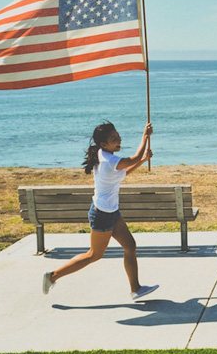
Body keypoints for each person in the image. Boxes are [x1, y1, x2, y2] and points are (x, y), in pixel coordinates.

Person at [42, 121, 159, 300]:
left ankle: (135, 289)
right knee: (93, 255)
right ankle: (52, 276)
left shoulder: (104, 155)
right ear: (104, 144)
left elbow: (124, 172)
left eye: (118, 136)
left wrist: (143, 160)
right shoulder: (108, 160)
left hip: (111, 212)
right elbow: (132, 159)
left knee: (130, 246)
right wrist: (145, 136)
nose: (118, 140)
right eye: (114, 139)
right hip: (102, 215)